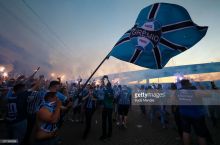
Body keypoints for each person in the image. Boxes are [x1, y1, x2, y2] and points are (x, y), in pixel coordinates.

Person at [178, 79, 211, 145]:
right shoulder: (194, 91)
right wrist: (202, 88)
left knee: (186, 132)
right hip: (196, 114)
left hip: (184, 113)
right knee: (200, 134)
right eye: (190, 83)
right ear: (188, 83)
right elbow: (208, 95)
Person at [100, 76, 114, 140]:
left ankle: (107, 134)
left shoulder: (109, 89)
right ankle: (106, 134)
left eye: (104, 80)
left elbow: (112, 97)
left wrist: (109, 95)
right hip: (107, 107)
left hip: (108, 107)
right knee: (106, 121)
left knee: (107, 121)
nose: (103, 81)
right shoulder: (106, 88)